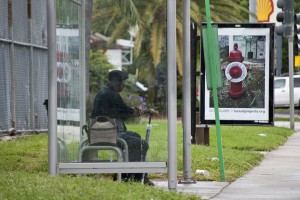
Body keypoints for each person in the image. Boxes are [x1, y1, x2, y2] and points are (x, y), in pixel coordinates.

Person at [91, 70, 154, 186]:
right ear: (113, 83)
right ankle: (137, 178)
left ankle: (127, 174)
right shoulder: (112, 95)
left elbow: (120, 111)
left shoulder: (104, 93)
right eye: (121, 82)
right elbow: (127, 111)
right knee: (142, 144)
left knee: (136, 137)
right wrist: (139, 111)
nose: (123, 85)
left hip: (103, 132)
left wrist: (132, 111)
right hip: (108, 134)